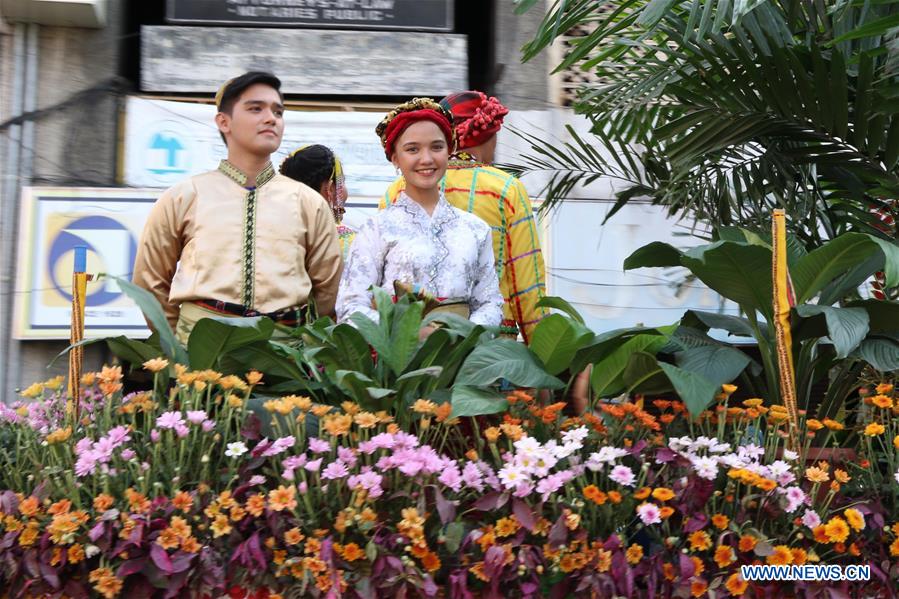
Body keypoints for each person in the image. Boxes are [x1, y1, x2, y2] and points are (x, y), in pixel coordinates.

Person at [132, 71, 342, 342]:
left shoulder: (308, 202)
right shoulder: (184, 196)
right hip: (202, 352)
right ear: (224, 121)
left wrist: (302, 344)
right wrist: (179, 342)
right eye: (256, 108)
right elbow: (150, 281)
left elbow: (328, 288)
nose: (271, 118)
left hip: (285, 355)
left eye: (278, 112)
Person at [381, 91, 547, 343]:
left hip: (414, 342)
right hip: (489, 347)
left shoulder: (398, 189)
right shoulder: (506, 189)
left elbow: (384, 279)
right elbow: (527, 284)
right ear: (487, 137)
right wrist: (545, 352)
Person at [337, 98, 503, 338]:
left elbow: (490, 304)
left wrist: (459, 335)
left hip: (460, 363)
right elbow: (350, 308)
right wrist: (410, 334)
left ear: (450, 151)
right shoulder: (376, 229)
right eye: (412, 149)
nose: (426, 159)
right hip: (396, 365)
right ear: (395, 158)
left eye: (436, 147)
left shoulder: (476, 229)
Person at [280, 144, 355, 259]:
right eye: (342, 182)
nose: (345, 191)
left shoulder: (272, 234)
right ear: (330, 188)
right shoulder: (351, 242)